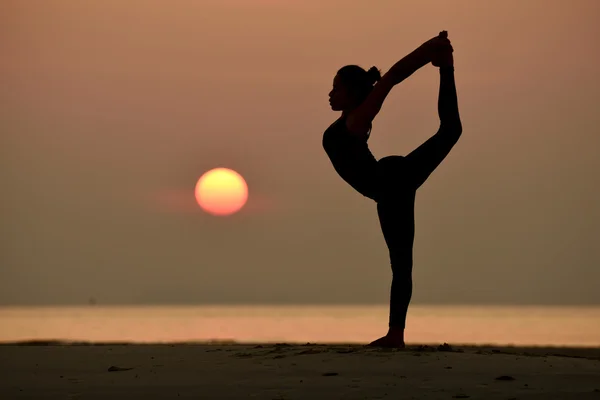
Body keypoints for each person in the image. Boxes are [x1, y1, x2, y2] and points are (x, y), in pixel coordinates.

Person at [322, 31, 463, 348]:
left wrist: (428, 50)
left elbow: (393, 78)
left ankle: (395, 335)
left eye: (336, 88)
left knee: (401, 263)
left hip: (391, 185)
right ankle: (395, 334)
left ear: (352, 93)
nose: (330, 94)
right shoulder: (350, 120)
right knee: (451, 130)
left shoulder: (356, 121)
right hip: (390, 183)